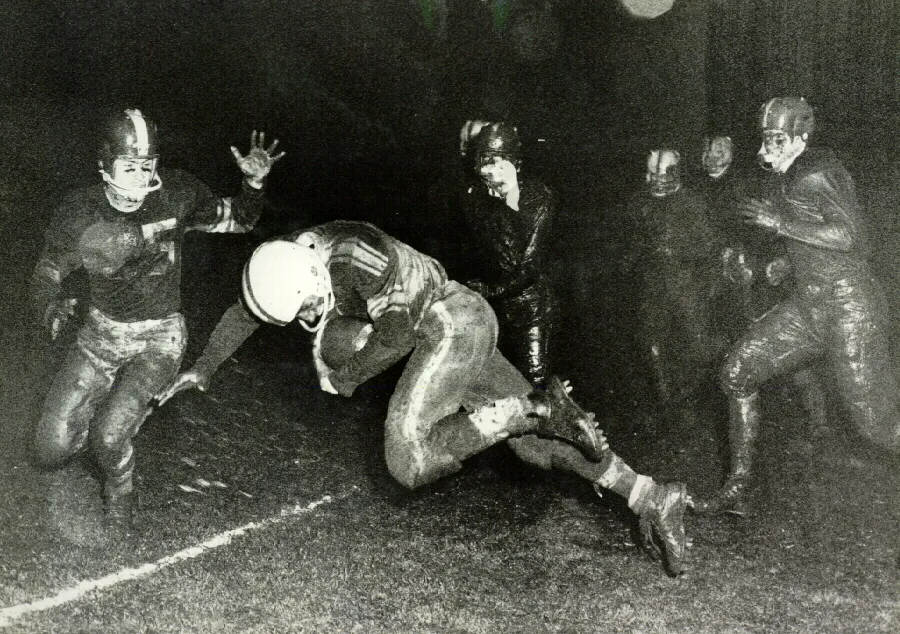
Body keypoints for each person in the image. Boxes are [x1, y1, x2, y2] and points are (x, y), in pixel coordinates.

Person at [160, 220, 692, 575]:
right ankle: (648, 493)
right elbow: (245, 311)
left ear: (314, 275)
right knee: (532, 447)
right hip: (456, 322)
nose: (304, 319)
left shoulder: (362, 258)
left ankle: (528, 408)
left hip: (448, 324)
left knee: (409, 459)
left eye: (305, 307)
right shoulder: (290, 262)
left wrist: (342, 378)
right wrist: (204, 369)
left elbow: (395, 336)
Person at [30, 108, 284, 529]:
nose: (139, 179)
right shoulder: (81, 210)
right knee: (50, 448)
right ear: (104, 164)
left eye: (147, 167)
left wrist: (253, 183)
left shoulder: (177, 193)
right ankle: (84, 432)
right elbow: (48, 269)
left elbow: (239, 218)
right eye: (129, 167)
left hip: (160, 335)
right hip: (102, 330)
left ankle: (120, 496)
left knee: (109, 439)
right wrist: (49, 303)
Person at [702, 97, 900, 513]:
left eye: (776, 139)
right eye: (764, 138)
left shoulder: (817, 171)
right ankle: (737, 492)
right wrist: (784, 263)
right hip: (810, 307)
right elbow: (817, 240)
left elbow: (851, 238)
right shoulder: (791, 173)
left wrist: (780, 224)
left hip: (849, 309)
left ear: (801, 139)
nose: (764, 149)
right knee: (737, 373)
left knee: (879, 428)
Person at [459, 122, 557, 388]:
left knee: (533, 385)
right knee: (497, 384)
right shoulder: (476, 197)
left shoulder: (538, 197)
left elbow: (528, 267)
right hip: (495, 309)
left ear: (515, 162)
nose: (492, 171)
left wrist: (510, 198)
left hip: (530, 309)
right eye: (486, 163)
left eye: (500, 162)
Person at [628, 148, 726, 406]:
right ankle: (666, 401)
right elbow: (632, 244)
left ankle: (697, 397)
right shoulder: (640, 203)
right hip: (653, 284)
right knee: (652, 342)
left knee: (697, 345)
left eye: (663, 174)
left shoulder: (693, 203)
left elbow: (710, 246)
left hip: (688, 284)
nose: (657, 181)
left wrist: (679, 250)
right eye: (652, 174)